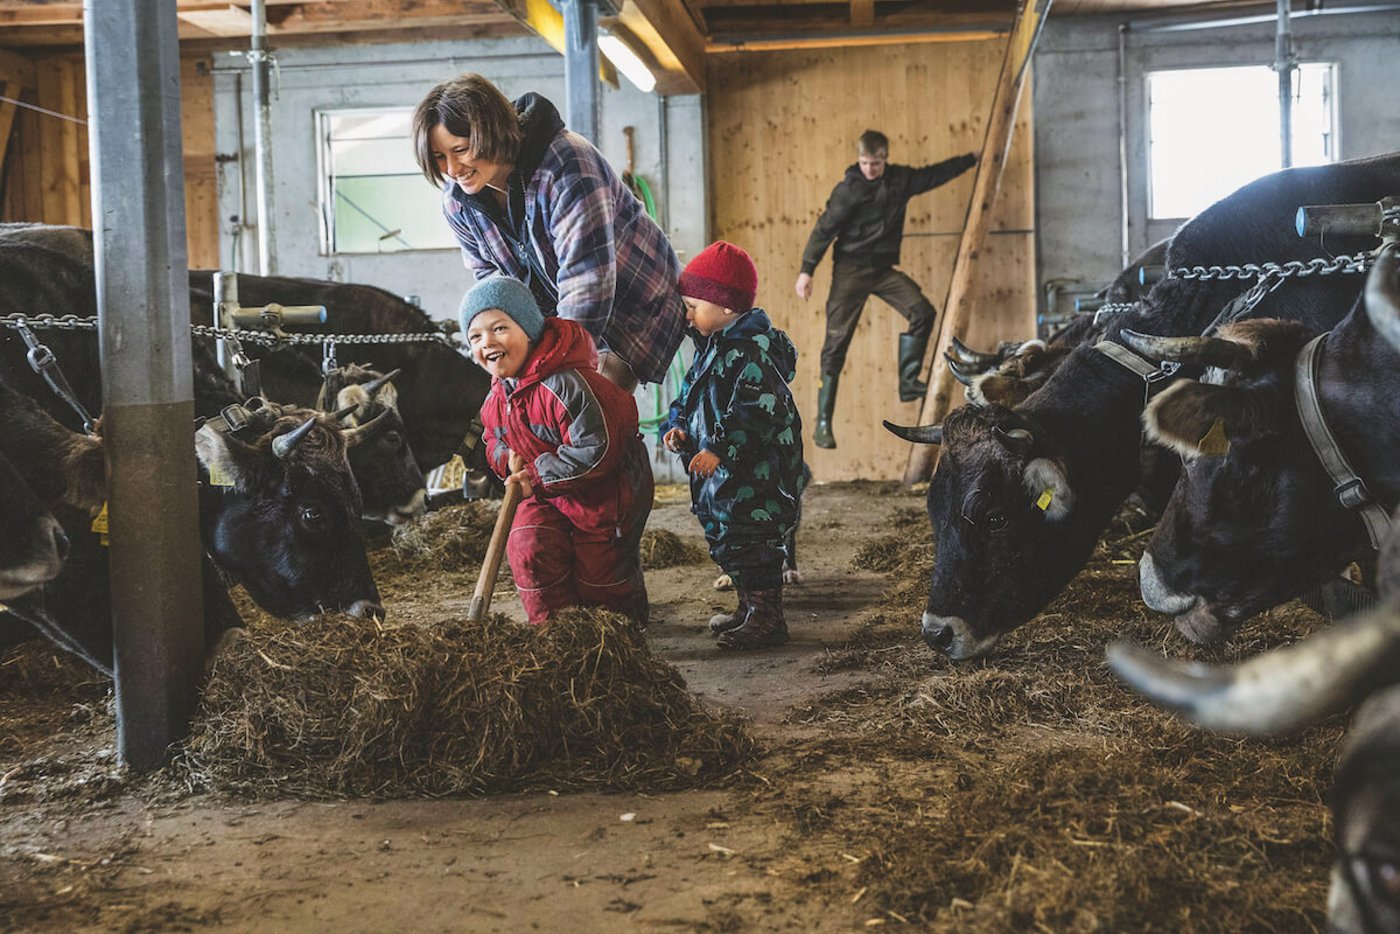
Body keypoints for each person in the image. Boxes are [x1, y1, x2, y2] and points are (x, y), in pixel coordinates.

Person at [414, 73, 684, 394]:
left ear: (490, 132)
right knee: (537, 410)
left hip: (636, 301)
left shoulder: (568, 164)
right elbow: (491, 282)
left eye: (460, 150)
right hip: (563, 309)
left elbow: (586, 281)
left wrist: (551, 368)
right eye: (439, 158)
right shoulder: (458, 203)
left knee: (588, 410)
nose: (452, 170)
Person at [461, 276, 652, 626]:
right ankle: (555, 632)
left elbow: (596, 449)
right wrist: (507, 461)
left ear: (529, 329)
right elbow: (493, 439)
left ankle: (618, 631)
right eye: (475, 336)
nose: (487, 342)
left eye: (499, 328)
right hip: (546, 490)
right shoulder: (497, 395)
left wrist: (534, 474)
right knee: (528, 547)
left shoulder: (567, 384)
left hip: (604, 493)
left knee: (600, 574)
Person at [661, 242, 806, 650]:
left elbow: (755, 409)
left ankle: (767, 617)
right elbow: (688, 396)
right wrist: (678, 427)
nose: (687, 314)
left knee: (753, 539)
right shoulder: (712, 347)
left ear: (725, 308)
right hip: (724, 478)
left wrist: (719, 448)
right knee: (731, 538)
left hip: (755, 477)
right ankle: (748, 609)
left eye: (693, 305)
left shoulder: (753, 352)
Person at [795, 130, 977, 448]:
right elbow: (824, 229)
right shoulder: (848, 190)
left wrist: (970, 160)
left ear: (885, 158)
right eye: (864, 162)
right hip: (850, 271)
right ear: (859, 159)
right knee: (834, 344)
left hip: (882, 271)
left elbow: (934, 175)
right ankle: (823, 423)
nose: (869, 169)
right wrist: (806, 270)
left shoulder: (900, 181)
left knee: (922, 311)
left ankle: (908, 383)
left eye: (875, 163)